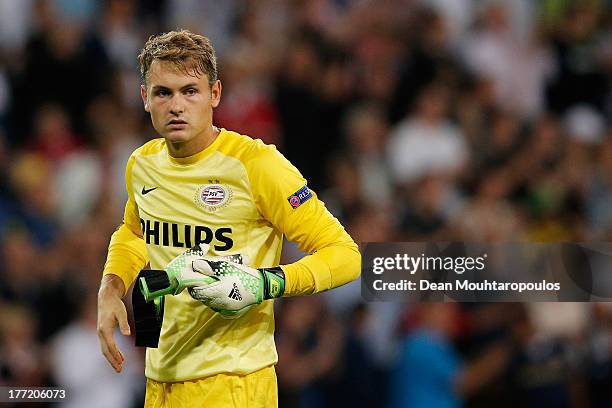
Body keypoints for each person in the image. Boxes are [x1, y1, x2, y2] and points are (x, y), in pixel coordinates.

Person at [96, 29, 361, 407]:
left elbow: (346, 255)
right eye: (163, 92)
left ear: (215, 94)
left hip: (234, 384)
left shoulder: (256, 165)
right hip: (161, 382)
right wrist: (111, 288)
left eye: (190, 90)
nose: (176, 105)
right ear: (145, 99)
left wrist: (263, 283)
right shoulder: (142, 164)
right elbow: (136, 234)